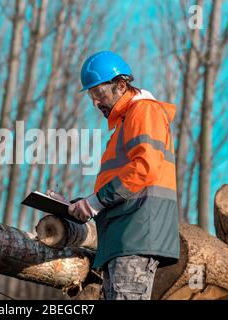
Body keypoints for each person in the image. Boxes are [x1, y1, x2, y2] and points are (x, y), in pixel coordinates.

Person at [47, 51, 180, 300]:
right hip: (125, 239)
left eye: (99, 93)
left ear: (121, 85)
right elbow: (120, 185)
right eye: (91, 96)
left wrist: (95, 202)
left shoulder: (143, 112)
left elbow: (145, 167)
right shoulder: (126, 121)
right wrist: (81, 203)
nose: (96, 102)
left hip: (135, 238)